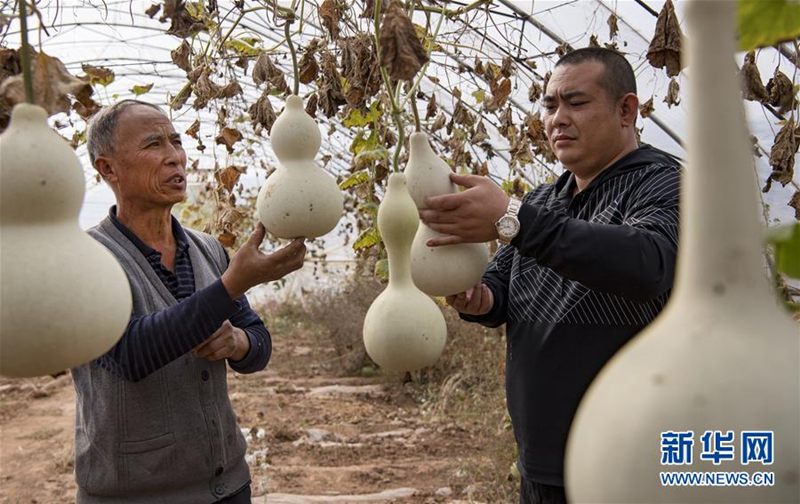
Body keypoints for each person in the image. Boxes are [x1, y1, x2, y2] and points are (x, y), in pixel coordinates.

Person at [420, 47, 682, 504]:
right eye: (549, 105)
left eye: (575, 103)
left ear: (626, 110)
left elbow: (648, 265)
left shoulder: (662, 183)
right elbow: (501, 287)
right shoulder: (544, 201)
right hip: (542, 461)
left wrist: (516, 220)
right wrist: (480, 299)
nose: (558, 119)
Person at [71, 99, 306, 503]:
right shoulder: (84, 258)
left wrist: (239, 342)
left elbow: (258, 344)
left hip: (228, 485)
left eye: (176, 141)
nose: (175, 157)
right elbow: (130, 354)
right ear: (108, 169)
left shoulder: (207, 249)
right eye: (153, 144)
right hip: (133, 496)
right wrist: (231, 285)